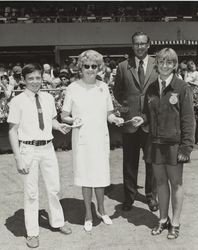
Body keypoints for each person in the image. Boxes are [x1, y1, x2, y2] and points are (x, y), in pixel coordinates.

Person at [132, 48, 195, 239]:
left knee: (176, 184)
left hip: (174, 145)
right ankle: (162, 219)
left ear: (175, 65)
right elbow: (147, 114)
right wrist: (142, 120)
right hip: (155, 143)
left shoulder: (182, 88)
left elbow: (188, 120)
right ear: (156, 64)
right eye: (161, 62)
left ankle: (175, 223)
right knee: (159, 182)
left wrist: (186, 146)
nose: (165, 66)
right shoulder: (151, 88)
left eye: (169, 62)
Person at [7, 64, 72, 249]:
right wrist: (18, 158)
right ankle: (32, 232)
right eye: (30, 79)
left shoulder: (48, 98)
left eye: (37, 78)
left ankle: (58, 222)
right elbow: (12, 131)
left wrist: (59, 126)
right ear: (24, 81)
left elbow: (50, 119)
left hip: (48, 148)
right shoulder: (17, 101)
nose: (35, 82)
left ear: (42, 78)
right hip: (28, 150)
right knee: (31, 193)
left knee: (54, 188)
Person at [61, 50, 123, 232]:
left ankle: (102, 210)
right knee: (86, 177)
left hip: (100, 137)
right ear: (80, 67)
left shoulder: (103, 87)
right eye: (86, 66)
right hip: (82, 138)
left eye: (94, 66)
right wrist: (74, 120)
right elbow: (64, 116)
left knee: (100, 176)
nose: (90, 69)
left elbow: (109, 114)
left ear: (99, 68)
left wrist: (116, 119)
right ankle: (88, 213)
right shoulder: (72, 88)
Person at [113, 31, 158, 212]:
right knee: (129, 163)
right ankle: (129, 197)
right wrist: (127, 111)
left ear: (148, 45)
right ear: (132, 46)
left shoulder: (158, 64)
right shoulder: (123, 66)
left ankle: (151, 197)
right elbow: (117, 92)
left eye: (143, 43)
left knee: (151, 162)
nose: (140, 47)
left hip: (151, 122)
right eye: (136, 44)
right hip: (130, 122)